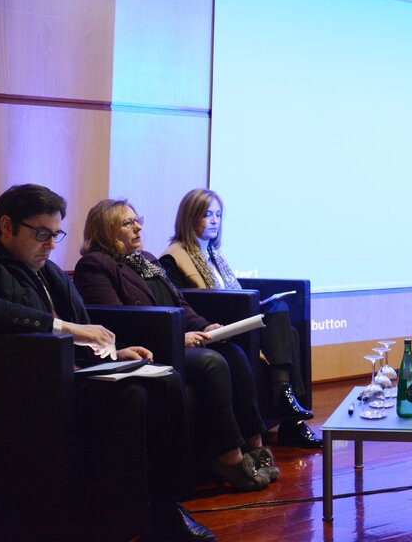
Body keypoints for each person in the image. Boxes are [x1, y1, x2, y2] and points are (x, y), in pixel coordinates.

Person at [0, 184, 216, 542]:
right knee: (130, 396)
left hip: (73, 375)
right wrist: (63, 327)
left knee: (166, 381)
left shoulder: (51, 272)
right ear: (6, 226)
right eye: (41, 234)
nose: (50, 245)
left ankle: (166, 509)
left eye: (56, 235)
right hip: (26, 388)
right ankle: (115, 528)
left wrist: (117, 352)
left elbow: (86, 333)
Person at [73, 199, 278, 491]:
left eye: (138, 220)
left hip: (173, 339)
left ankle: (255, 448)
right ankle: (229, 458)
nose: (138, 227)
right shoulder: (95, 265)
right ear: (105, 230)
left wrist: (204, 326)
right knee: (211, 362)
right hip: (148, 348)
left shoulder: (146, 260)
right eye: (128, 223)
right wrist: (174, 338)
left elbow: (180, 304)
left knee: (233, 353)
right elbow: (116, 321)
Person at [160, 189, 321, 449]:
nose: (215, 221)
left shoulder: (214, 254)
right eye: (207, 215)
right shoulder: (172, 258)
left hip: (234, 316)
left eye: (218, 214)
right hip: (213, 324)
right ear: (189, 218)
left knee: (288, 329)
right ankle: (289, 412)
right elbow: (183, 301)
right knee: (283, 323)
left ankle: (289, 411)